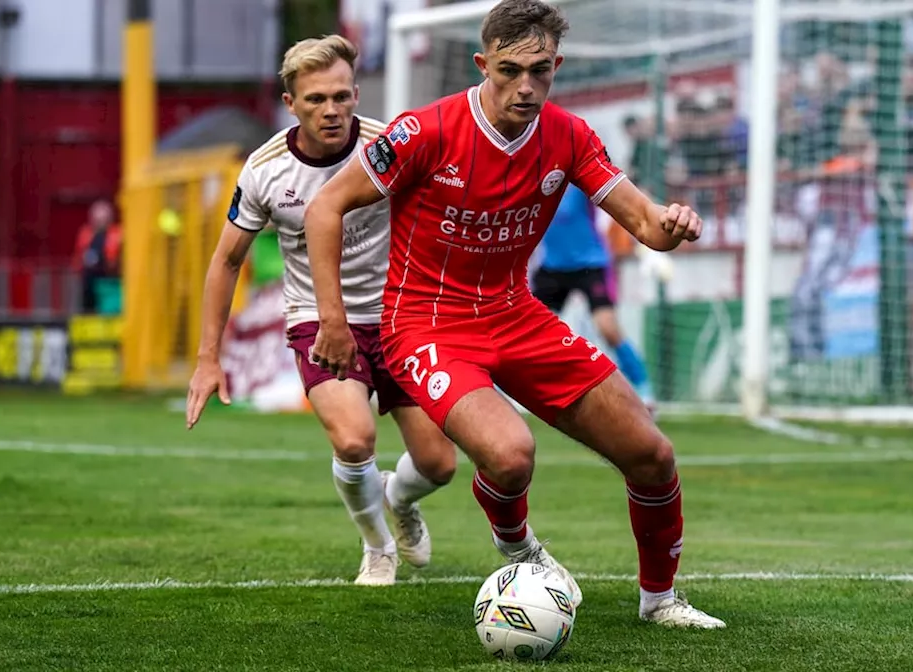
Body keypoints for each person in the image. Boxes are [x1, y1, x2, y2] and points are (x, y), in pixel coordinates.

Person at [304, 0, 725, 628]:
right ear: (483, 65)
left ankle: (660, 601)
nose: (526, 86)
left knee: (653, 454)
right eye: (510, 70)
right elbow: (324, 207)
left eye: (540, 71)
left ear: (556, 66)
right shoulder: (426, 132)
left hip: (515, 313)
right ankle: (520, 550)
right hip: (424, 322)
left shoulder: (570, 136)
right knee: (510, 452)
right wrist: (334, 321)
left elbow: (643, 222)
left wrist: (673, 223)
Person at [184, 36, 457, 587]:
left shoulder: (392, 144)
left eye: (339, 96)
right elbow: (226, 261)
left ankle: (397, 498)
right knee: (354, 439)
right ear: (291, 103)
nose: (330, 110)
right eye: (314, 100)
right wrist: (208, 358)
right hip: (317, 316)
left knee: (439, 463)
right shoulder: (264, 170)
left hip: (403, 316)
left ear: (356, 93)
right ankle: (378, 546)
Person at [533, 183, 654, 407]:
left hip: (590, 264)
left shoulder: (578, 180)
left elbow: (616, 190)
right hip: (551, 267)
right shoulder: (533, 179)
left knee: (608, 328)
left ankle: (643, 389)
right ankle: (503, 393)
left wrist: (646, 210)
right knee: (527, 332)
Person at [73, 199, 122, 313]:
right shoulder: (85, 234)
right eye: (96, 219)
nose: (99, 222)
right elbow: (78, 257)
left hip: (110, 284)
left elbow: (117, 261)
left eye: (103, 219)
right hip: (89, 283)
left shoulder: (117, 234)